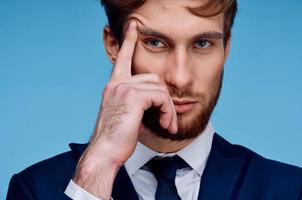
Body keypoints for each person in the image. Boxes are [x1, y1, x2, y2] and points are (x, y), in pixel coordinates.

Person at [6, 0, 302, 199]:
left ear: (225, 49)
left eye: (203, 43)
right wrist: (97, 171)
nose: (181, 77)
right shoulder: (36, 189)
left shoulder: (290, 189)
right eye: (155, 43)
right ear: (113, 45)